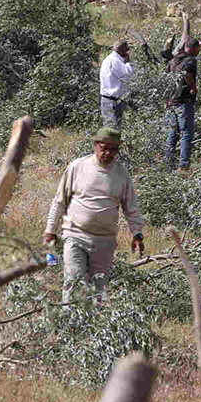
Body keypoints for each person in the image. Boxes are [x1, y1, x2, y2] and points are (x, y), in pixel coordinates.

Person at [43, 127, 146, 302]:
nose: (108, 153)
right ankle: (70, 324)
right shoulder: (77, 167)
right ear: (95, 145)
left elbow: (131, 207)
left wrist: (137, 233)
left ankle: (94, 326)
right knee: (74, 282)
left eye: (113, 149)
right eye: (104, 148)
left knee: (99, 289)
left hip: (104, 241)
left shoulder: (121, 174)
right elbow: (59, 200)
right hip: (75, 234)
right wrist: (50, 229)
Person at [161, 37, 201, 172]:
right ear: (193, 49)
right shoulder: (190, 60)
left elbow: (165, 76)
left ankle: (168, 162)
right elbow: (188, 74)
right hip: (183, 101)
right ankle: (183, 165)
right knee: (186, 133)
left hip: (170, 101)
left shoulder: (174, 59)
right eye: (198, 49)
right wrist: (193, 88)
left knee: (172, 132)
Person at [100, 40, 137, 129]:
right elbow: (129, 76)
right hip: (112, 101)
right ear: (121, 49)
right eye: (126, 50)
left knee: (111, 128)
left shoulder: (109, 59)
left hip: (109, 100)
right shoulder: (115, 61)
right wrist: (127, 62)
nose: (127, 52)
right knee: (112, 129)